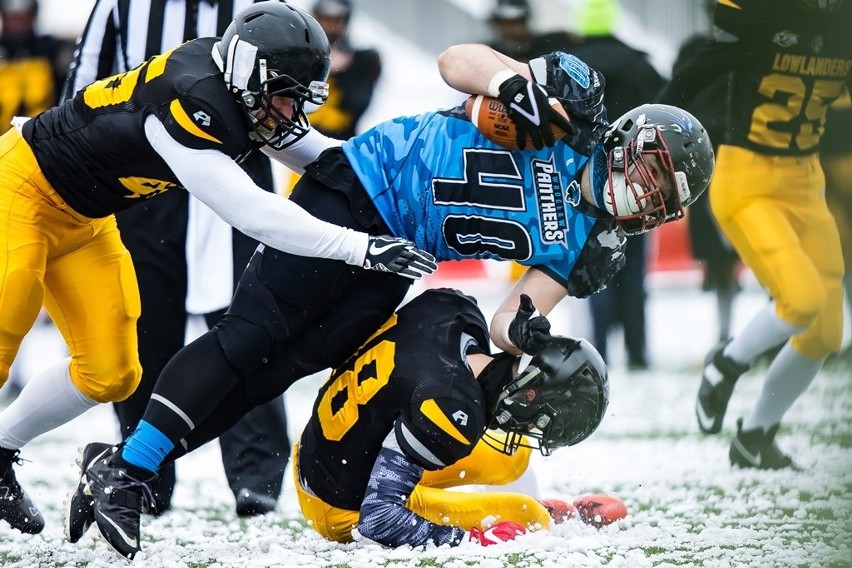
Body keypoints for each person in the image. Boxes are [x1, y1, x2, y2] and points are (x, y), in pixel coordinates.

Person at [67, 37, 714, 560]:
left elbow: (511, 317)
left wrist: (534, 340)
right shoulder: (574, 107)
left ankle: (124, 466)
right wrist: (513, 85)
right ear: (633, 141)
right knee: (249, 337)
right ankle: (129, 470)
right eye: (655, 171)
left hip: (400, 253)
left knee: (276, 374)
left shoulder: (590, 246)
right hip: (360, 186)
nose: (653, 194)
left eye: (668, 194)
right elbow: (455, 61)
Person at [0, 0, 435, 536]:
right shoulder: (193, 99)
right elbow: (253, 213)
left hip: (87, 218)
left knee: (112, 374)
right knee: (6, 321)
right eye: (285, 96)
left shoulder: (244, 91)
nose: (290, 111)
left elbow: (323, 156)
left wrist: (402, 185)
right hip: (21, 189)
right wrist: (361, 248)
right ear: (254, 76)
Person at [61, 0, 295, 519]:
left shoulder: (258, 6)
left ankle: (257, 477)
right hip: (146, 175)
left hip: (238, 162)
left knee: (251, 322)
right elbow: (81, 87)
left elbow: (290, 89)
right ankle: (142, 477)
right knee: (143, 324)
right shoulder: (122, 5)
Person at [659, 0, 851, 469]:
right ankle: (727, 362)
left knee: (825, 332)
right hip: (749, 181)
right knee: (801, 301)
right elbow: (688, 79)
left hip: (807, 183)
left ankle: (755, 437)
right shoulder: (763, 14)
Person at [292, 287, 619, 547]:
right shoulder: (452, 406)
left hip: (329, 441)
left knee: (514, 457)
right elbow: (379, 518)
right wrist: (470, 539)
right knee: (526, 515)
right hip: (336, 502)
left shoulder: (457, 311)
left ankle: (542, 508)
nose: (529, 427)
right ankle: (542, 514)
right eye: (538, 422)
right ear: (530, 394)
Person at [564, 0, 665, 369]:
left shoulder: (571, 67)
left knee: (593, 266)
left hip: (586, 183)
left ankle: (599, 352)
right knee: (634, 270)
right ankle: (638, 352)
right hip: (639, 183)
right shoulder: (639, 64)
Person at [670, 0, 740, 345]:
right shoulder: (696, 49)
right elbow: (677, 100)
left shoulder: (752, 46)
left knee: (754, 251)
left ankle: (776, 328)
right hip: (707, 162)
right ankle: (726, 333)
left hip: (740, 159)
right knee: (720, 256)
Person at [308, 0, 381, 139]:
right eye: (325, 19)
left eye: (335, 20)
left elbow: (358, 104)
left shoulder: (363, 59)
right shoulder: (303, 56)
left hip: (340, 140)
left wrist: (343, 71)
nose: (329, 26)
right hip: (302, 137)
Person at [0, 0, 74, 136]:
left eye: (22, 17)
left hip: (43, 139)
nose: (16, 24)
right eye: (11, 17)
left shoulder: (51, 50)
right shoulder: (2, 53)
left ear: (33, 16)